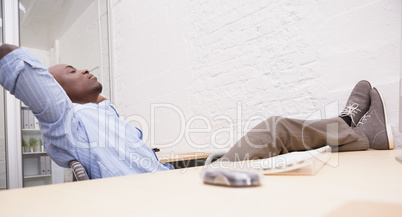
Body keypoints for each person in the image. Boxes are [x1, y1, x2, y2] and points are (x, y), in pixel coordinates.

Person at [0, 44, 394, 179]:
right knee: (275, 129)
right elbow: (22, 69)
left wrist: (97, 98)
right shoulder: (65, 122)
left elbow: (106, 106)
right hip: (167, 196)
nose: (84, 69)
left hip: (179, 179)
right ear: (57, 92)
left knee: (285, 146)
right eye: (71, 71)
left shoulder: (103, 117)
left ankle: (355, 130)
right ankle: (351, 125)